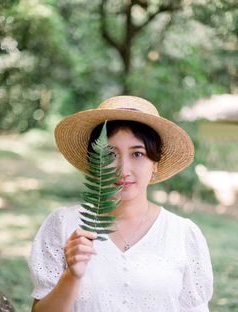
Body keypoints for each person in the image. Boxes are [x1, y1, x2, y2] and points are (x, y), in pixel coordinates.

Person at [28, 95, 213, 312]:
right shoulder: (63, 225)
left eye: (137, 154)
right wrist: (72, 275)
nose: (122, 170)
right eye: (109, 154)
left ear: (155, 163)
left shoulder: (183, 234)